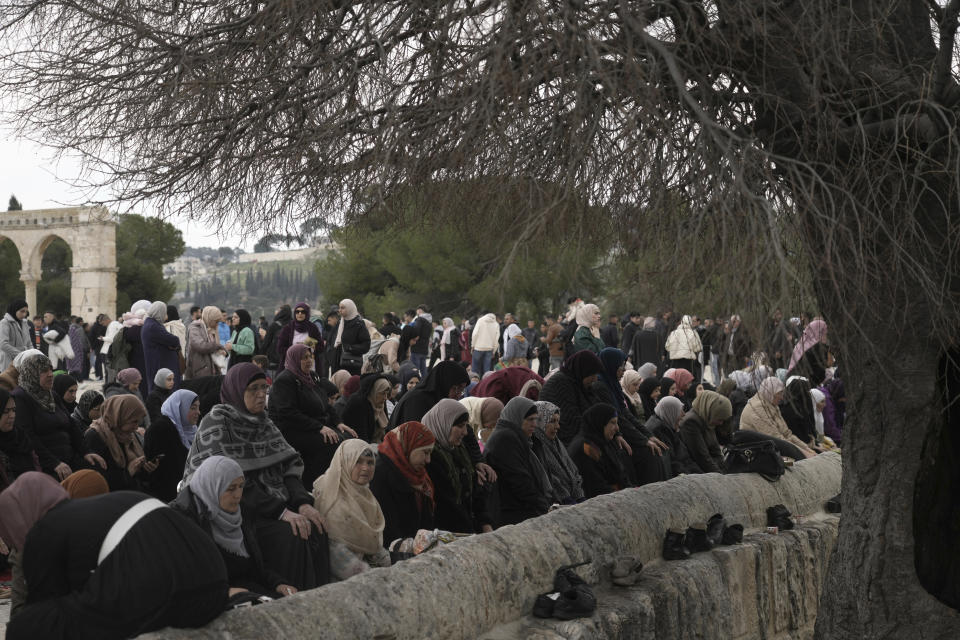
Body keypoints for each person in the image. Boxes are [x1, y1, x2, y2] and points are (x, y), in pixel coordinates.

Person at [0, 472, 228, 640]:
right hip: (214, 588)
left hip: (167, 597)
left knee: (28, 625)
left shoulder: (44, 530)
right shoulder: (104, 507)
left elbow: (42, 604)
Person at [183, 362, 331, 589]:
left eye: (265, 387)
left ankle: (320, 598)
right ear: (236, 389)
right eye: (253, 388)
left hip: (270, 503)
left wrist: (301, 504)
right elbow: (229, 485)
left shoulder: (265, 423)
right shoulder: (217, 423)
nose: (262, 394)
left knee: (316, 526)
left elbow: (288, 468)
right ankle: (289, 599)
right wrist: (281, 512)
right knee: (291, 535)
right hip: (233, 509)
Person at [170, 455, 298, 598]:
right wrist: (226, 594)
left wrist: (278, 584)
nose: (238, 495)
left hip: (249, 592)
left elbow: (256, 566)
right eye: (230, 488)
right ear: (212, 487)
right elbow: (186, 582)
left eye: (241, 486)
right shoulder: (184, 521)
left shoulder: (240, 512)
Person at [268, 344, 357, 485]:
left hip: (314, 424)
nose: (309, 361)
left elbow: (325, 404)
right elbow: (287, 413)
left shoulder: (311, 377)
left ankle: (340, 482)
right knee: (331, 443)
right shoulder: (285, 380)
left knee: (348, 437)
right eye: (304, 358)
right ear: (295, 359)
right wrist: (319, 427)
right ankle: (315, 483)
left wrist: (339, 423)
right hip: (293, 429)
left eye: (310, 357)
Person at [13, 354, 102, 480]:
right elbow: (28, 436)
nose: (50, 374)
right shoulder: (20, 398)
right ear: (31, 373)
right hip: (45, 464)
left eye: (50, 369)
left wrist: (86, 451)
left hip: (68, 457)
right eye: (44, 371)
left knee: (98, 468)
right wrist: (54, 463)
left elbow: (71, 426)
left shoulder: (52, 395)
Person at [312, 440, 391, 580]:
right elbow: (336, 555)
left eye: (370, 462)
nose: (366, 468)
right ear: (344, 462)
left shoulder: (366, 496)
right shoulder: (331, 499)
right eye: (358, 462)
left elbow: (374, 547)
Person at [421, 399, 494, 534]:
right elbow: (447, 506)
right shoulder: (430, 457)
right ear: (444, 424)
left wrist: (485, 524)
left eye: (466, 426)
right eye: (460, 426)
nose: (465, 432)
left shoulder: (458, 450)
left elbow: (474, 494)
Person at [483, 397, 551, 526]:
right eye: (530, 419)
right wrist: (543, 508)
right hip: (509, 513)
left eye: (536, 419)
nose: (535, 424)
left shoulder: (513, 436)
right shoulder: (505, 439)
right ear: (517, 417)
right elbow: (519, 481)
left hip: (514, 508)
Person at [370, 421, 436, 545]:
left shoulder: (416, 473)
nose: (428, 460)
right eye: (425, 452)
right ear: (409, 446)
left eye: (430, 453)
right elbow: (388, 527)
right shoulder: (381, 475)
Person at [84, 395, 158, 491]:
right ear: (120, 417)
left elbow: (137, 477)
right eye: (134, 422)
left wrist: (146, 469)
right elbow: (98, 481)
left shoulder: (129, 435)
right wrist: (128, 472)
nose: (136, 427)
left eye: (138, 422)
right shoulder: (95, 436)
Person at [143, 389, 200, 502]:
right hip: (168, 498)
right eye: (193, 408)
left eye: (198, 407)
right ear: (179, 408)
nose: (198, 412)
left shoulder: (191, 430)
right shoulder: (160, 429)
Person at [738, 377, 816, 458]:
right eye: (779, 393)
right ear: (771, 392)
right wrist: (803, 452)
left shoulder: (771, 404)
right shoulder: (757, 408)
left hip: (771, 449)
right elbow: (775, 438)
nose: (782, 397)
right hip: (755, 454)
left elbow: (787, 434)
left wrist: (807, 448)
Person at [538, 350, 605, 444]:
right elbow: (571, 423)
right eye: (592, 374)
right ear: (583, 371)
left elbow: (600, 409)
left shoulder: (579, 383)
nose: (595, 379)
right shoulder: (560, 383)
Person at [567, 403, 630, 498]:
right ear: (600, 423)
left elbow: (621, 476)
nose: (617, 428)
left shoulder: (602, 442)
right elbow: (597, 488)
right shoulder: (586, 448)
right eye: (613, 422)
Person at [530, 401, 584, 504]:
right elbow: (550, 479)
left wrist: (579, 497)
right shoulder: (536, 446)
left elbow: (573, 471)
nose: (557, 426)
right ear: (541, 422)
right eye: (552, 421)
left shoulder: (556, 443)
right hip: (555, 503)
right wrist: (566, 499)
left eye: (558, 421)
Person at [679, 390, 733, 473]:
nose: (720, 423)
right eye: (719, 419)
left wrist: (726, 470)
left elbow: (716, 451)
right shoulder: (691, 422)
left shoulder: (706, 417)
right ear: (712, 411)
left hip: (710, 468)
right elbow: (702, 457)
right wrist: (721, 476)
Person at [646, 396, 701, 476]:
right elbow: (673, 462)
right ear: (670, 411)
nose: (683, 414)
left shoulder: (667, 424)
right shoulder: (659, 430)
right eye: (680, 411)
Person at [341, 373, 392, 443]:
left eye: (387, 393)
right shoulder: (358, 403)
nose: (385, 398)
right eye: (383, 393)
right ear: (374, 391)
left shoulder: (379, 403)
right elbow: (361, 436)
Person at [276, 302, 325, 375]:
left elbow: (321, 347)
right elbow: (280, 348)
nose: (300, 314)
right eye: (297, 311)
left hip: (310, 368)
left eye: (303, 312)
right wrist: (295, 351)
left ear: (307, 313)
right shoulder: (288, 328)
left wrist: (309, 347)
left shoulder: (313, 328)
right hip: (291, 368)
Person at [328, 299, 371, 376]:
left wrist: (351, 348)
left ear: (350, 308)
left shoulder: (358, 324)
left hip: (351, 364)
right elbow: (331, 340)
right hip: (337, 363)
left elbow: (366, 345)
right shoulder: (340, 323)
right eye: (339, 308)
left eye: (342, 308)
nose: (339, 310)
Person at [186, 306, 226, 380]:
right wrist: (218, 346)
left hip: (212, 372)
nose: (217, 325)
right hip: (200, 371)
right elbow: (200, 346)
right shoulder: (195, 327)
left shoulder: (210, 329)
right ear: (209, 318)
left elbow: (214, 346)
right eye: (216, 321)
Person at [787, 319, 830, 385]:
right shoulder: (818, 347)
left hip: (793, 381)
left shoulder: (801, 343)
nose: (826, 335)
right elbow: (820, 372)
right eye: (824, 333)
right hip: (807, 385)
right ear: (819, 332)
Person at [1, 299, 31, 373]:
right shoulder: (4, 323)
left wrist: (33, 355)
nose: (24, 314)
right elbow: (3, 344)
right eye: (22, 311)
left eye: (26, 312)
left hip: (23, 363)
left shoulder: (24, 323)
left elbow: (29, 343)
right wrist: (20, 355)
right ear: (15, 310)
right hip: (8, 363)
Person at [261, 305, 292, 374]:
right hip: (290, 361)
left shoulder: (275, 325)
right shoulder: (293, 324)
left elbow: (266, 343)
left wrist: (261, 355)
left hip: (274, 361)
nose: (276, 312)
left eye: (278, 310)